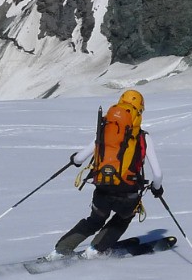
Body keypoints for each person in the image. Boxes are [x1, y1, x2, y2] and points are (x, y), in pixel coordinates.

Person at [54, 89, 163, 257]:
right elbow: (157, 174)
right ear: (140, 111)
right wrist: (157, 189)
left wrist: (74, 160)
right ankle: (96, 249)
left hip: (102, 189)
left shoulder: (105, 132)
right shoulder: (143, 137)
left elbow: (80, 158)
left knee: (95, 220)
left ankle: (61, 249)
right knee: (123, 218)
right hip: (128, 193)